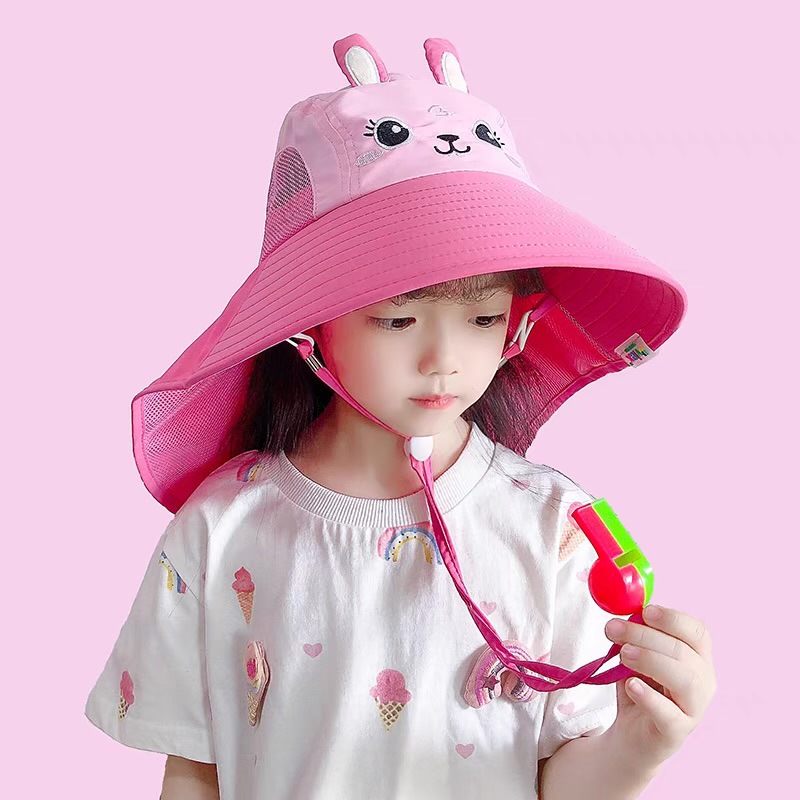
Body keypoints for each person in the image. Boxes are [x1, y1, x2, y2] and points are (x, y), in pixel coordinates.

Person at [85, 33, 716, 800]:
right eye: (397, 319)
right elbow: (193, 769)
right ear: (307, 325)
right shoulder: (223, 527)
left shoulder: (553, 526)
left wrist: (640, 745)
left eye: (483, 318)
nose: (444, 359)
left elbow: (561, 782)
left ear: (519, 319)